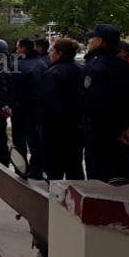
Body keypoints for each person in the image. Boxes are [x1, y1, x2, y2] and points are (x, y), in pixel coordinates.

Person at [82, 23, 129, 182]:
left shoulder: (94, 67)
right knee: (121, 179)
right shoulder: (125, 66)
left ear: (100, 41)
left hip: (100, 135)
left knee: (99, 181)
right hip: (124, 136)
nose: (89, 42)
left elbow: (93, 104)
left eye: (92, 38)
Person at [39, 38, 85, 180]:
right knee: (74, 168)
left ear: (59, 53)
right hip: (77, 129)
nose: (50, 54)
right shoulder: (80, 70)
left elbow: (50, 103)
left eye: (52, 51)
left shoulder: (52, 73)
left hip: (55, 131)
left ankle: (56, 201)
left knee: (54, 171)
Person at [8, 38, 48, 179]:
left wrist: (10, 105)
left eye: (18, 47)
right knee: (36, 140)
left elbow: (12, 88)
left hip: (21, 109)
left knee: (19, 140)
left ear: (24, 48)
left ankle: (21, 168)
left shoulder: (19, 65)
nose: (17, 50)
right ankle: (37, 169)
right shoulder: (43, 64)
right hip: (38, 108)